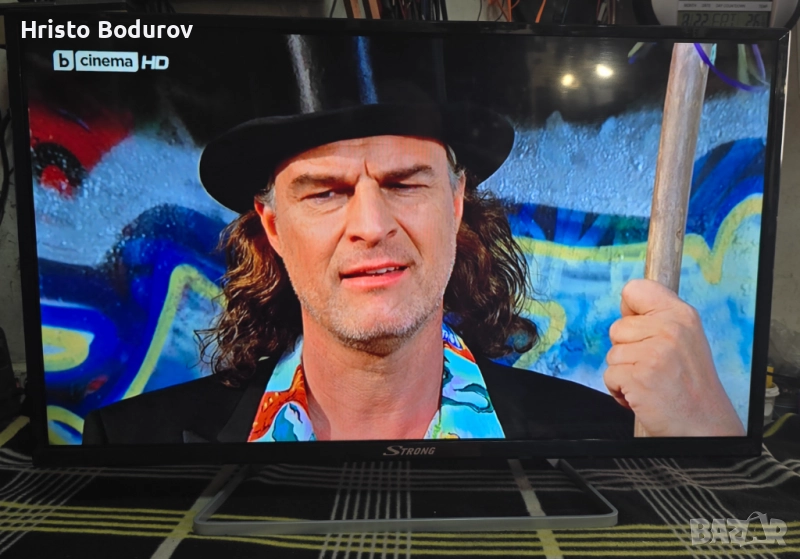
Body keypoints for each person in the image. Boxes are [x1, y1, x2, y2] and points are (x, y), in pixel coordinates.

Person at [83, 95, 744, 444]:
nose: (372, 225)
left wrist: (711, 445)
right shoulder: (131, 445)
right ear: (274, 227)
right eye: (326, 192)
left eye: (404, 183)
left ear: (454, 204)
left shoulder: (598, 435)